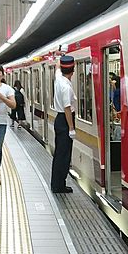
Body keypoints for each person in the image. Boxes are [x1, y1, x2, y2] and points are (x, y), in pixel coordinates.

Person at [51, 56, 77, 194]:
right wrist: (71, 128)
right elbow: (67, 108)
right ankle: (59, 185)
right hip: (65, 120)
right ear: (73, 69)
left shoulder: (59, 78)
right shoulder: (66, 86)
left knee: (60, 154)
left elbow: (56, 67)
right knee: (64, 155)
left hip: (59, 119)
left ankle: (57, 183)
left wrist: (59, 55)